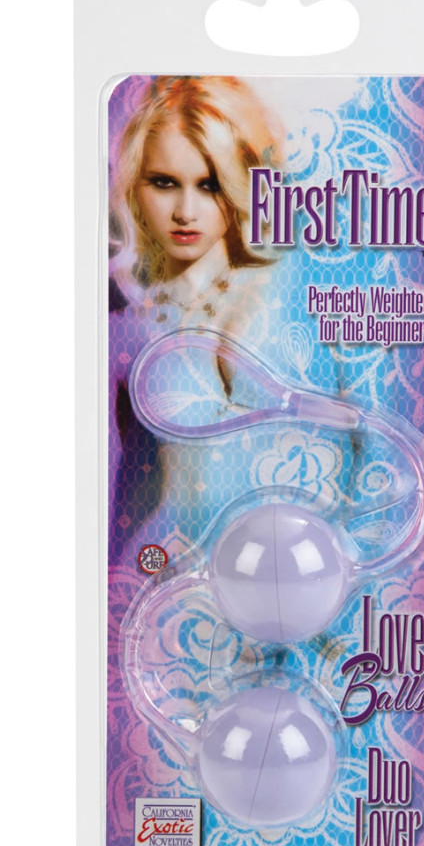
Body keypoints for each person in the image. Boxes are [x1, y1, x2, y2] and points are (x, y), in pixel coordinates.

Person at [108, 76, 283, 565]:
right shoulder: (123, 329)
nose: (185, 212)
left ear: (240, 184)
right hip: (166, 573)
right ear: (134, 185)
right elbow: (114, 491)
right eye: (163, 182)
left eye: (209, 185)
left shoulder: (282, 291)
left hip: (288, 567)